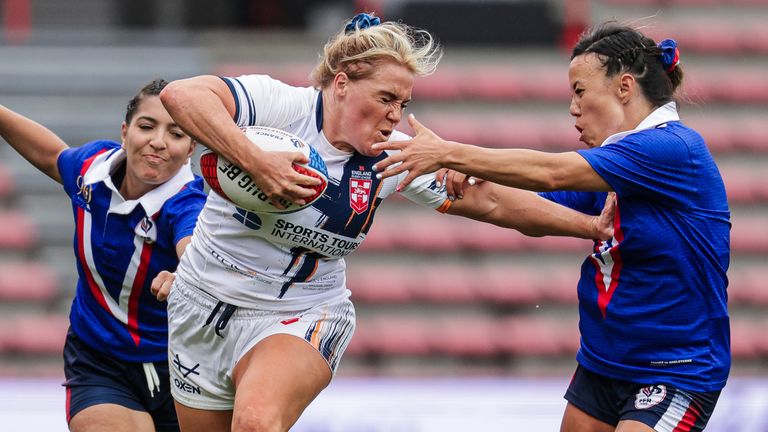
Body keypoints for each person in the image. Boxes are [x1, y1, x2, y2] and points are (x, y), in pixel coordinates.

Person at [155, 13, 617, 432]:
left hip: (301, 314)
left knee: (256, 421)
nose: (395, 114)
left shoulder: (391, 156)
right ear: (340, 85)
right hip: (200, 302)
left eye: (403, 102)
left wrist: (589, 227)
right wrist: (256, 162)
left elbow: (492, 203)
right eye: (385, 98)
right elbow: (181, 95)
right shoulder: (279, 105)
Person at [372, 22, 730, 432]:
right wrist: (433, 174)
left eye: (580, 92)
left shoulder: (671, 149)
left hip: (673, 369)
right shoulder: (615, 162)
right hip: (604, 362)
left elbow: (551, 173)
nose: (573, 109)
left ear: (625, 88)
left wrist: (450, 153)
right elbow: (508, 205)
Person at [0, 79, 207, 432]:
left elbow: (193, 248)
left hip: (185, 369)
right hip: (99, 360)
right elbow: (53, 157)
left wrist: (187, 275)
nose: (158, 141)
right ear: (125, 132)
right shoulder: (93, 169)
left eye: (175, 133)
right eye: (146, 126)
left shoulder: (188, 203)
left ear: (190, 149)